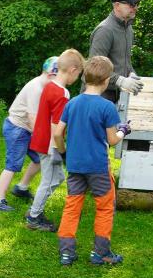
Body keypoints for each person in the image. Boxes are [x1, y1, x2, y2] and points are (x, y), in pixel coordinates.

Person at [55, 56, 131, 266]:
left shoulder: (73, 103)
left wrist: (64, 154)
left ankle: (66, 253)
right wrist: (124, 130)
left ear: (85, 77)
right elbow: (112, 140)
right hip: (98, 167)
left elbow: (58, 133)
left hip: (75, 165)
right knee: (105, 207)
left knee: (72, 206)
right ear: (106, 80)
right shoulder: (107, 107)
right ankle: (100, 253)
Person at [25, 49, 85, 232]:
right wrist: (58, 150)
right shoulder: (62, 93)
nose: (77, 78)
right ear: (73, 70)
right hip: (48, 144)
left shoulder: (49, 86)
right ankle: (34, 217)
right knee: (49, 181)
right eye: (79, 74)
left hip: (40, 140)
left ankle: (34, 211)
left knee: (56, 178)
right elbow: (56, 125)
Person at [0, 56, 59, 212]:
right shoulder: (36, 88)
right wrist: (47, 140)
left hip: (27, 129)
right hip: (18, 129)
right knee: (13, 165)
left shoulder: (46, 87)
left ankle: (21, 188)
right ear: (51, 74)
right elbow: (33, 119)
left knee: (38, 159)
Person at [87, 0, 146, 104]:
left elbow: (124, 62)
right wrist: (120, 80)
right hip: (97, 98)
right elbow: (93, 68)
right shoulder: (105, 30)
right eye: (131, 4)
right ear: (117, 5)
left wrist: (131, 73)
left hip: (117, 97)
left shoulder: (128, 29)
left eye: (137, 4)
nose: (136, 8)